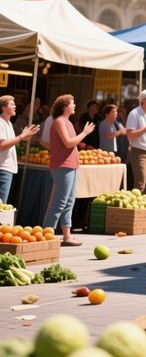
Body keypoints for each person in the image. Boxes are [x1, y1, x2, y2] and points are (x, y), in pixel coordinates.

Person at [43, 94, 94, 246]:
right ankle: (47, 234)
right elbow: (68, 143)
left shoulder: (68, 122)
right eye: (72, 103)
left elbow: (71, 143)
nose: (74, 105)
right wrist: (84, 133)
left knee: (69, 201)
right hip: (62, 166)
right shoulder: (59, 121)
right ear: (65, 106)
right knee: (59, 201)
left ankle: (66, 236)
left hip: (70, 165)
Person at [0, 96, 40, 205]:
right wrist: (21, 137)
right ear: (3, 108)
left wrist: (24, 137)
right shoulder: (1, 123)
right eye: (11, 104)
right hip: (2, 169)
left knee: (2, 205)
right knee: (1, 206)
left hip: (6, 169)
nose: (15, 106)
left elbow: (10, 143)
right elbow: (2, 145)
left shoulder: (8, 124)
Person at [126, 89, 146, 195]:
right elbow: (130, 135)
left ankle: (143, 210)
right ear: (143, 100)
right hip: (138, 152)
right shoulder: (134, 113)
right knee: (140, 185)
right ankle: (135, 209)